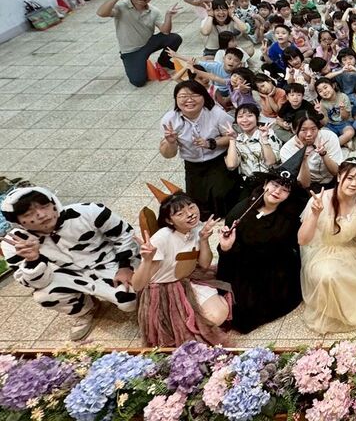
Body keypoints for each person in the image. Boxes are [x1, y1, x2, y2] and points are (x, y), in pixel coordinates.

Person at [1, 186, 139, 341]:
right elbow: (36, 283)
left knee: (129, 302)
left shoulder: (89, 211)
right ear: (17, 221)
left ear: (54, 203)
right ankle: (85, 309)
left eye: (44, 206)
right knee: (44, 295)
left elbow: (125, 234)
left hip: (110, 262)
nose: (41, 215)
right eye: (28, 214)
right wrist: (33, 260)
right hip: (68, 275)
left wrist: (125, 266)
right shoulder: (15, 243)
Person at [298, 159, 356, 333]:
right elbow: (302, 240)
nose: (354, 184)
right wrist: (315, 214)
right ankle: (334, 311)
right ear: (339, 177)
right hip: (325, 250)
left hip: (354, 249)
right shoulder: (320, 199)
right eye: (350, 178)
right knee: (328, 276)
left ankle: (351, 307)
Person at [132, 188, 230, 347]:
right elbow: (137, 285)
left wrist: (203, 239)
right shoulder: (162, 238)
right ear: (169, 221)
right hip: (164, 289)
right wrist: (147, 260)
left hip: (188, 277)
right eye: (180, 213)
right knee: (197, 328)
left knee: (220, 314)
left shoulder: (196, 226)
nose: (190, 214)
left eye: (191, 207)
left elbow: (204, 264)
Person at [217, 165, 305, 333]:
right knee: (242, 312)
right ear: (265, 184)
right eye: (275, 185)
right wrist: (226, 247)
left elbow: (294, 244)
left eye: (285, 190)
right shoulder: (240, 212)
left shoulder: (290, 214)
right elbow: (228, 255)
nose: (277, 191)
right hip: (245, 266)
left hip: (276, 268)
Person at [159, 80, 240, 220]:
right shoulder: (170, 120)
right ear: (176, 99)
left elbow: (233, 136)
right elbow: (168, 155)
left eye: (194, 95)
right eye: (183, 96)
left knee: (221, 194)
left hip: (218, 159)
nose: (189, 100)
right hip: (193, 164)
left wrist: (211, 143)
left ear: (204, 96)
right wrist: (170, 142)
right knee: (197, 202)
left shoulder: (216, 114)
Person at [98, 0, 183, 87]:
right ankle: (138, 62)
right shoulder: (121, 6)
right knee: (138, 81)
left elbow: (165, 31)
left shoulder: (154, 11)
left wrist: (168, 16)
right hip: (131, 51)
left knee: (174, 38)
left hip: (149, 43)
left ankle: (164, 61)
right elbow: (101, 13)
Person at [278, 111, 343, 190]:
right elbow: (304, 184)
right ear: (294, 130)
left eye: (313, 129)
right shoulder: (287, 150)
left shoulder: (329, 137)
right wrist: (303, 159)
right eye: (303, 130)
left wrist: (323, 154)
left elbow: (336, 172)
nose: (309, 134)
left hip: (334, 180)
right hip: (309, 187)